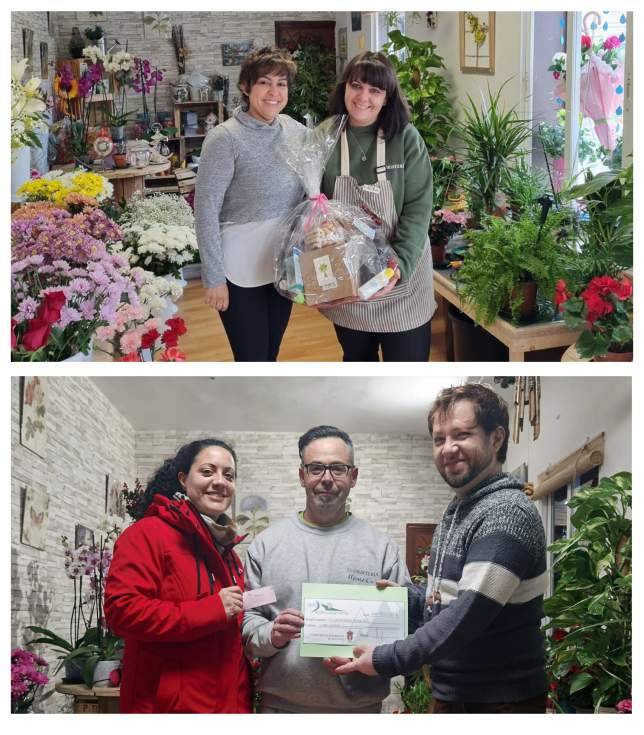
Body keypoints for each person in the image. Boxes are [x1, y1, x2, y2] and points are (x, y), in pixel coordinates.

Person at [327, 384, 549, 713]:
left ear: (497, 438)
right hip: (456, 694)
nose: (447, 448)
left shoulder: (506, 513)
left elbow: (466, 616)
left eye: (461, 434)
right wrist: (408, 596)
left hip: (498, 703)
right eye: (439, 438)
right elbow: (446, 599)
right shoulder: (461, 509)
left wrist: (384, 659)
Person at [241, 425, 410, 713]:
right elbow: (248, 617)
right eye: (316, 468)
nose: (327, 479)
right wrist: (272, 634)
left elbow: (405, 629)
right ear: (302, 475)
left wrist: (379, 654)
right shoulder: (265, 546)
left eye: (338, 469)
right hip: (282, 711)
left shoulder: (382, 549)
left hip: (361, 711)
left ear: (353, 477)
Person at [104, 439, 251, 713]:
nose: (220, 482)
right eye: (207, 472)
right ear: (183, 479)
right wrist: (211, 610)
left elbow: (232, 645)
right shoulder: (146, 534)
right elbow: (121, 612)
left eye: (228, 475)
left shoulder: (230, 554)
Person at [319, 52, 436, 361]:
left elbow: (419, 206)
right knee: (358, 364)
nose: (363, 97)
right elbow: (314, 207)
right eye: (356, 86)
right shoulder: (325, 137)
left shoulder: (406, 138)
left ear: (387, 98)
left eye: (375, 90)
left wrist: (395, 268)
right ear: (344, 88)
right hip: (350, 283)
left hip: (402, 278)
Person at [195, 47, 306, 361]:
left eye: (281, 84)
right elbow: (205, 210)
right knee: (251, 358)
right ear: (246, 87)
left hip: (282, 264)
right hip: (239, 268)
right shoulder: (224, 138)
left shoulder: (296, 131)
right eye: (265, 83)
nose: (274, 92)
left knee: (270, 354)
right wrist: (213, 278)